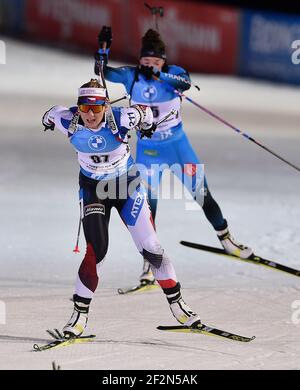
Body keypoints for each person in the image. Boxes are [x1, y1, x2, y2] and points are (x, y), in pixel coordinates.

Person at [95, 27, 253, 287]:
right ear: (140, 60)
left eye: (155, 62)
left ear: (163, 61)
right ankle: (150, 262)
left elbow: (185, 83)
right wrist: (103, 50)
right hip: (148, 151)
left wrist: (158, 74)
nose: (149, 66)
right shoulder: (131, 76)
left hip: (177, 147)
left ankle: (227, 241)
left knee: (201, 193)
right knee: (146, 206)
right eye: (146, 62)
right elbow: (103, 74)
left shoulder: (174, 73)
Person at [42, 79, 201, 338]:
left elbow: (145, 113)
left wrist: (146, 124)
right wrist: (47, 121)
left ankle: (179, 306)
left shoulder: (122, 117)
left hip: (126, 187)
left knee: (151, 248)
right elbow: (50, 115)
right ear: (78, 107)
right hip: (94, 190)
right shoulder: (66, 118)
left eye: (96, 108)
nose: (90, 115)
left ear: (106, 106)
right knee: (97, 252)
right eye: (85, 108)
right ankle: (79, 316)